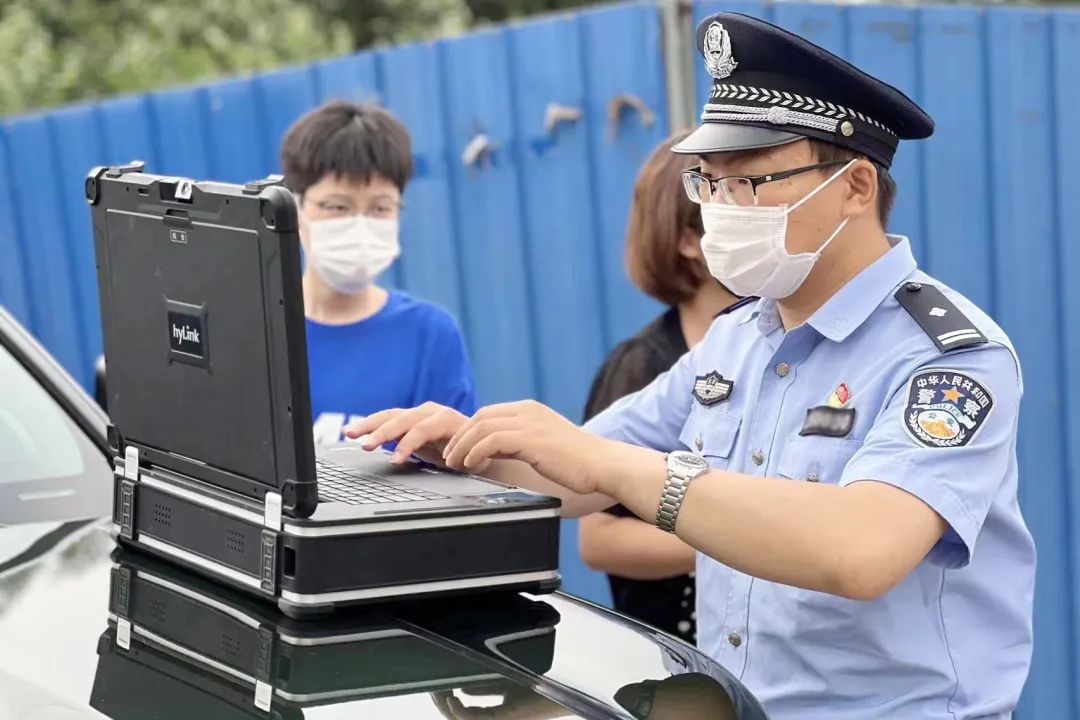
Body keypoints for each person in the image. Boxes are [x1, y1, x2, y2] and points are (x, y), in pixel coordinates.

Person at [347, 12, 1035, 719]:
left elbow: (862, 549)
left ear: (856, 186)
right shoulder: (740, 339)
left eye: (751, 182)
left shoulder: (947, 358)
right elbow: (573, 473)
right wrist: (461, 453)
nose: (722, 210)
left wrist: (617, 468)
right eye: (708, 183)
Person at [578, 132, 749, 645]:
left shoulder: (770, 349)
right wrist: (741, 543)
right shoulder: (643, 367)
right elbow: (597, 537)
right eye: (727, 194)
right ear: (689, 240)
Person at [280, 101, 477, 445]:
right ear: (295, 207)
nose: (359, 224)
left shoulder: (431, 336)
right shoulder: (257, 331)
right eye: (337, 206)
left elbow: (461, 476)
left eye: (380, 208)